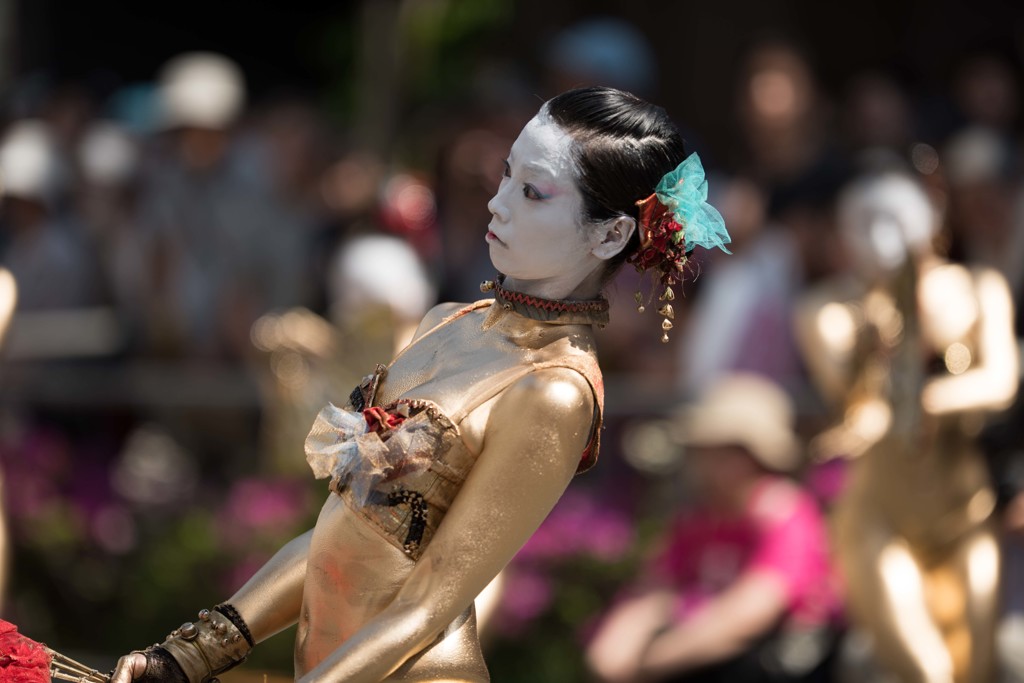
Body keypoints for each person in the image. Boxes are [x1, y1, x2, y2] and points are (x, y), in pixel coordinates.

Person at [109, 86, 730, 682]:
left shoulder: (556, 393)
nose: (498, 202)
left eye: (534, 192)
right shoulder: (447, 320)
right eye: (506, 175)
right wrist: (192, 653)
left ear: (610, 234)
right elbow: (345, 526)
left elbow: (428, 605)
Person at [794, 164, 1018, 683]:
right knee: (928, 673)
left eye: (895, 218)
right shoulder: (827, 309)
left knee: (979, 668)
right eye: (865, 223)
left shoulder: (977, 288)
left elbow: (999, 383)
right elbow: (851, 398)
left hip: (966, 509)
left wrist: (925, 396)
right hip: (880, 515)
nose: (882, 236)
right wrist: (883, 331)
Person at [585, 374, 839, 683]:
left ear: (747, 456)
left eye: (711, 452)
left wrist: (653, 662)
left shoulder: (785, 514)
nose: (697, 463)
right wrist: (619, 641)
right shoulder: (698, 517)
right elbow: (657, 586)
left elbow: (754, 609)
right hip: (704, 656)